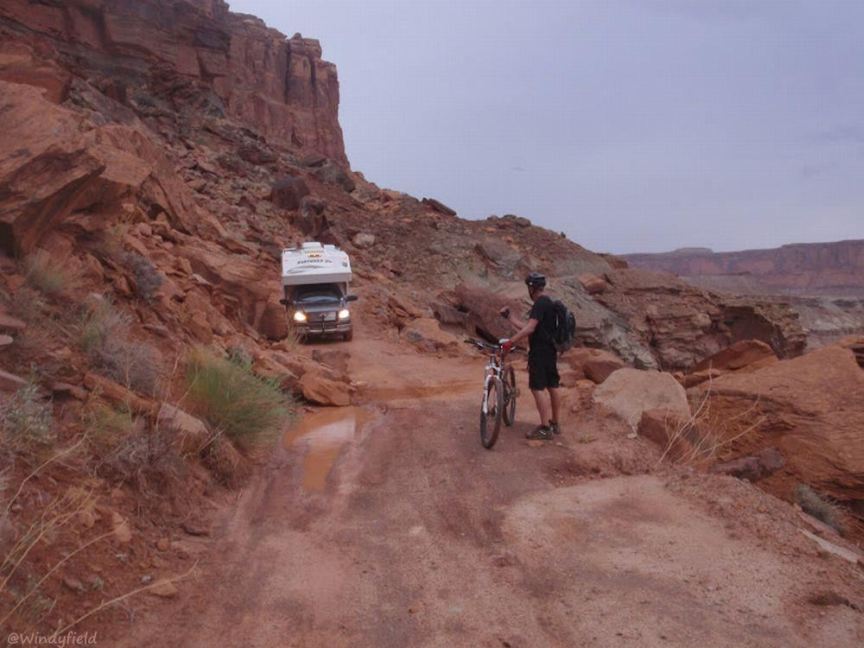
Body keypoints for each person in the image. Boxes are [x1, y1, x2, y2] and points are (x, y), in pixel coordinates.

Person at [499, 272, 561, 440]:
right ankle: (555, 423)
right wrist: (510, 318)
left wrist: (510, 342)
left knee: (537, 388)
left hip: (539, 352)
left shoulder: (540, 303)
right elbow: (528, 327)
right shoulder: (548, 303)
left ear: (532, 288)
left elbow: (530, 329)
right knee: (552, 386)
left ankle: (545, 428)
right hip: (550, 351)